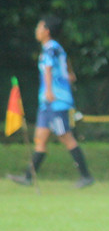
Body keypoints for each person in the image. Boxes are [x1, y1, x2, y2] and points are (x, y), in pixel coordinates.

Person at [7, 16, 94, 188]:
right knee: (40, 139)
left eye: (39, 27)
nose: (36, 30)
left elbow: (47, 69)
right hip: (49, 102)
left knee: (65, 136)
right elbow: (65, 64)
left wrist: (48, 91)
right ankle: (28, 177)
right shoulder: (57, 48)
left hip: (55, 101)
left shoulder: (49, 49)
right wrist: (69, 74)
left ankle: (86, 176)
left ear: (47, 31)